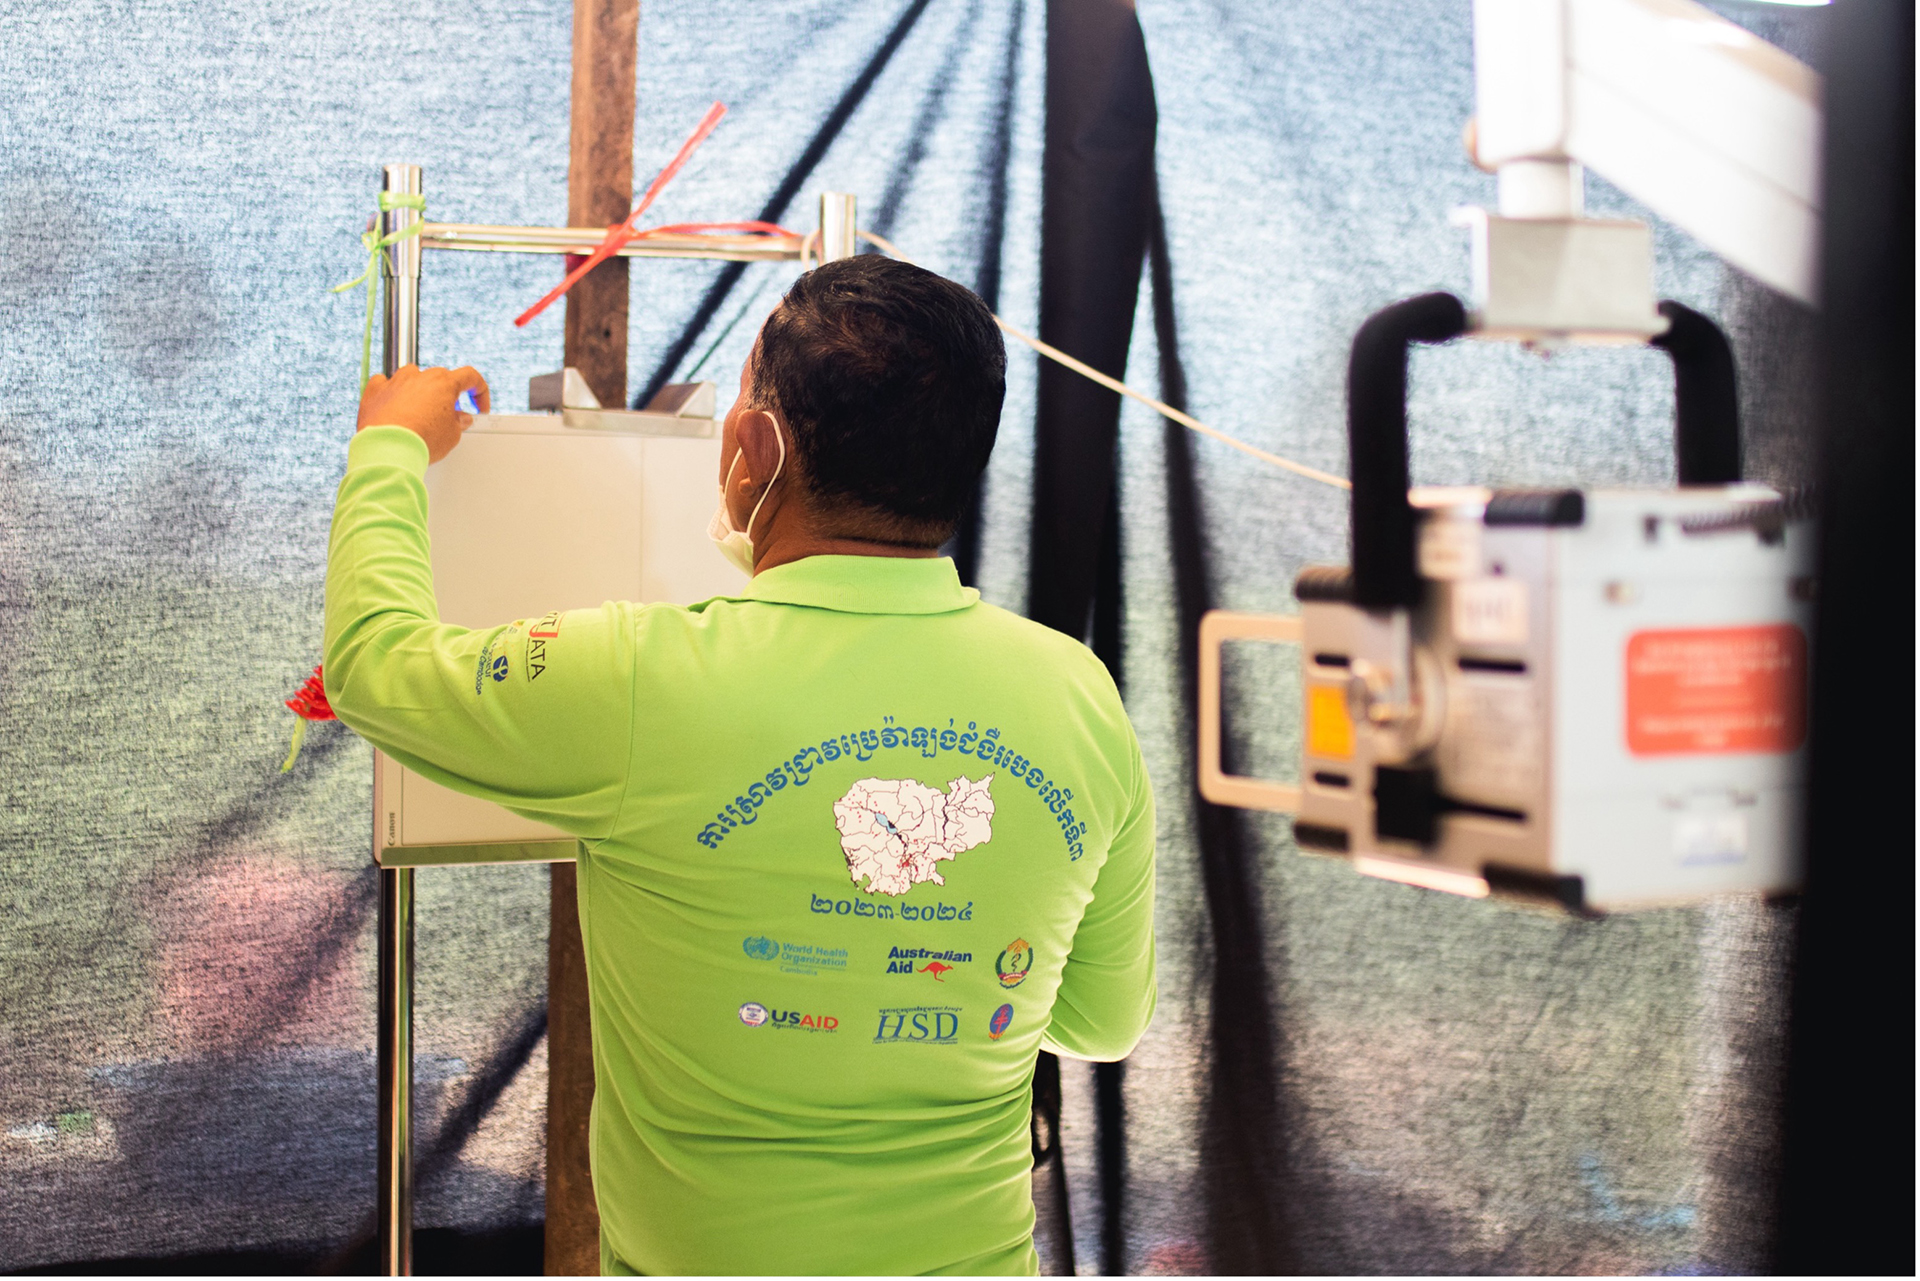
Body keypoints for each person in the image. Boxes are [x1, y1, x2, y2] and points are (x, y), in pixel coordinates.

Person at [324, 255, 1156, 1275]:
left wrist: (389, 445)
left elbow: (375, 665)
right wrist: (925, 971)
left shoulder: (642, 678)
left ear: (755, 449)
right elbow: (1100, 1020)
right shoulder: (1077, 695)